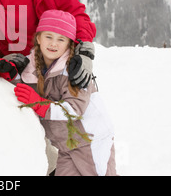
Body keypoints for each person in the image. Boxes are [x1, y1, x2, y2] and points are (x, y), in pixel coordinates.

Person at [14, 9, 116, 176]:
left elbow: (74, 109)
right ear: (39, 38)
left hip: (90, 140)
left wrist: (41, 105)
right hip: (65, 145)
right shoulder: (31, 67)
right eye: (48, 37)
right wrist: (8, 71)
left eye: (61, 39)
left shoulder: (73, 70)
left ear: (69, 44)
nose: (53, 44)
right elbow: (22, 88)